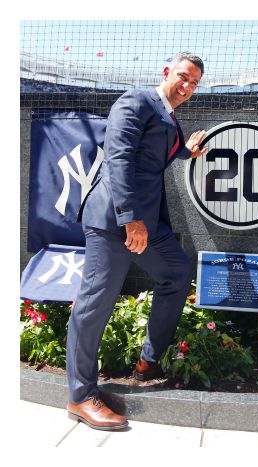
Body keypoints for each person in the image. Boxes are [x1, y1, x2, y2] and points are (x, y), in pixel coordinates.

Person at [65, 52, 210, 431]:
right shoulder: (136, 100)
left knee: (177, 273)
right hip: (115, 220)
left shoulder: (168, 116)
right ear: (166, 72)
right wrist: (130, 219)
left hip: (147, 224)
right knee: (95, 304)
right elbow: (119, 157)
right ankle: (80, 396)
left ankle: (148, 359)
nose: (187, 86)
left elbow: (156, 156)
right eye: (183, 77)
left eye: (194, 83)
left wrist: (187, 151)